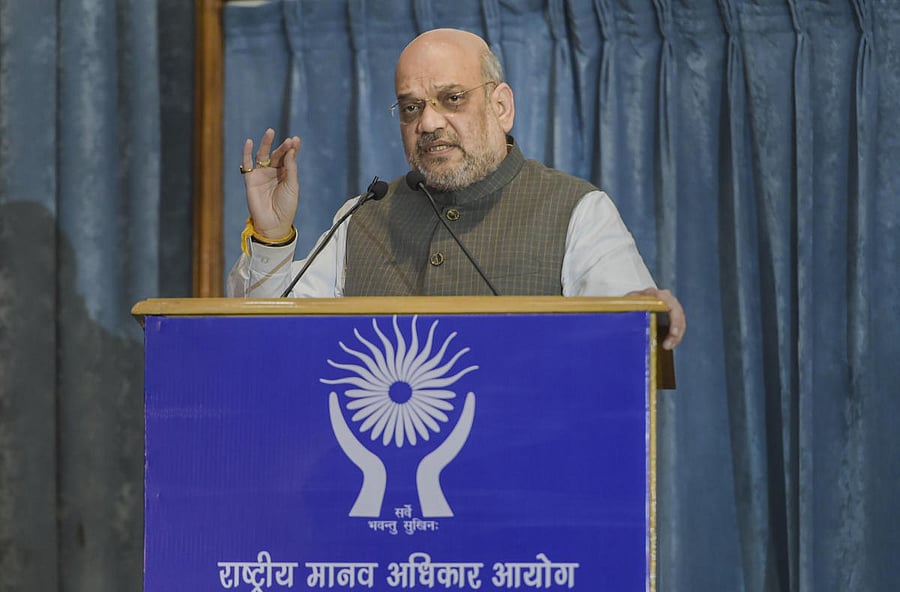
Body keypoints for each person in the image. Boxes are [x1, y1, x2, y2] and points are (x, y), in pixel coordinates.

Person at [228, 28, 686, 350]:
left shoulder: (577, 211)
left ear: (501, 106)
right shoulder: (362, 217)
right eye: (411, 108)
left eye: (452, 99)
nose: (428, 123)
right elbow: (269, 341)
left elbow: (628, 334)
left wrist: (643, 315)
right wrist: (272, 236)